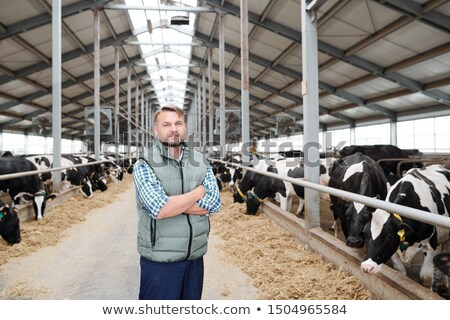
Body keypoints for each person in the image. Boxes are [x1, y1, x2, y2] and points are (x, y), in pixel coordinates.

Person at [133, 105, 221, 300]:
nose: (173, 128)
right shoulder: (144, 163)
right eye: (166, 124)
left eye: (178, 123)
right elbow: (160, 209)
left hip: (194, 258)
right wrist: (198, 192)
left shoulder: (201, 161)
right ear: (156, 131)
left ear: (185, 128)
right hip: (160, 261)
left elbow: (214, 203)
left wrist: (174, 204)